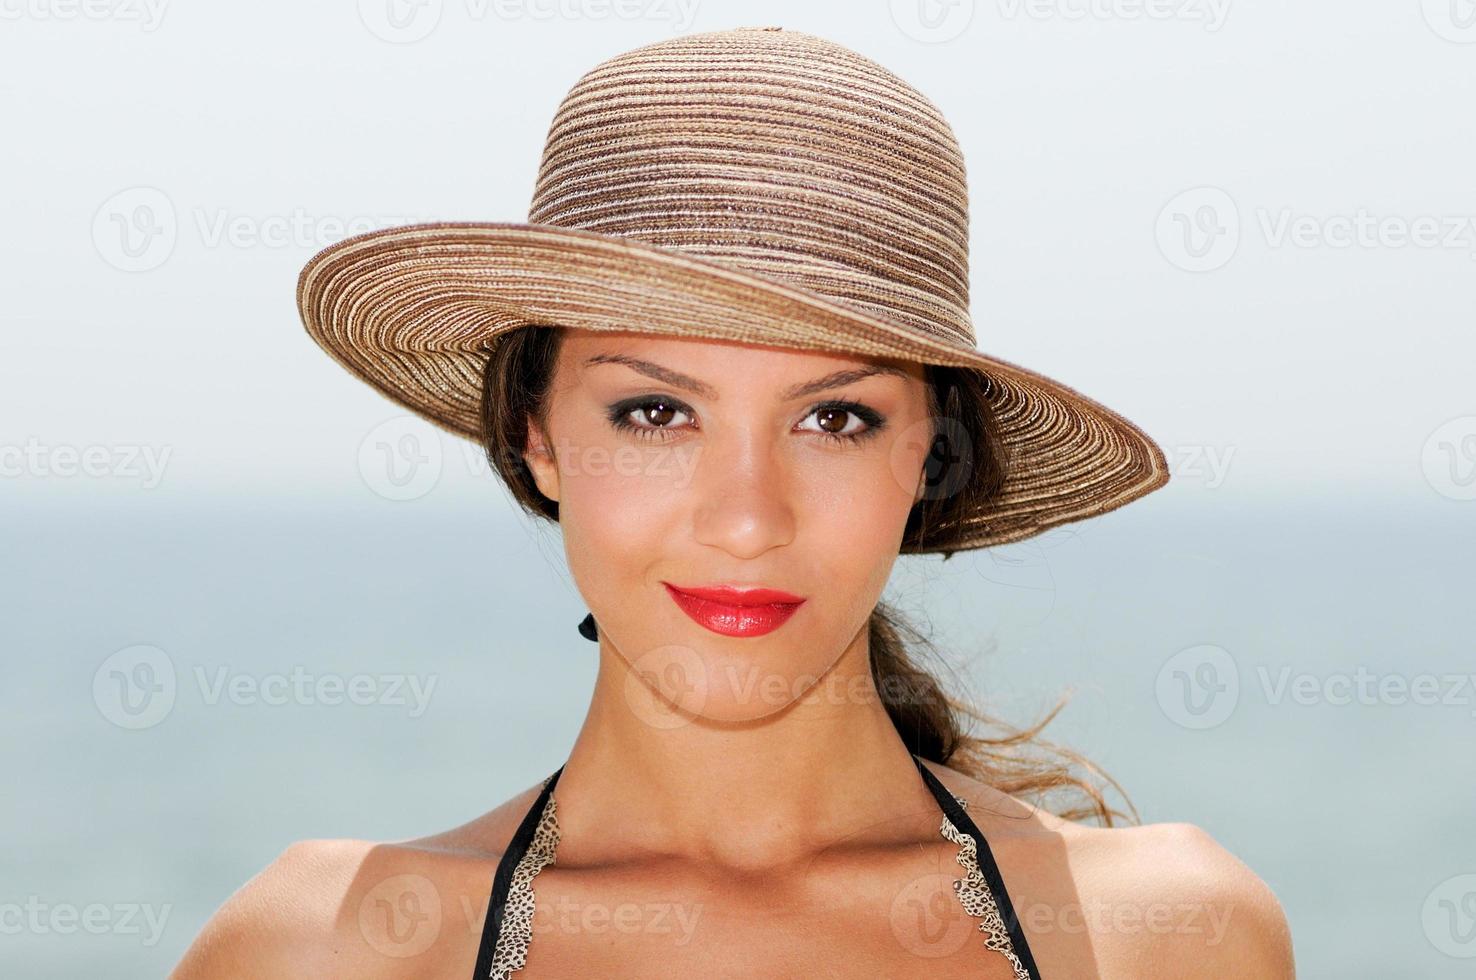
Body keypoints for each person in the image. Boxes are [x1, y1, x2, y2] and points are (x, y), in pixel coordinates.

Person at [172, 26, 1294, 979]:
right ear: (535, 432)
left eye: (834, 418)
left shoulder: (1170, 933)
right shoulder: (322, 946)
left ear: (930, 459)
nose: (748, 519)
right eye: (656, 414)